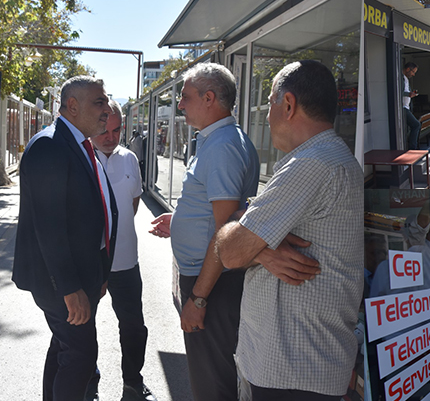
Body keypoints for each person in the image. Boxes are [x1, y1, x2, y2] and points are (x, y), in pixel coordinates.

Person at [214, 60, 363, 401]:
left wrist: (252, 244)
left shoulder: (310, 164)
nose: (267, 116)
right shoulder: (333, 157)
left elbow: (230, 250)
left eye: (269, 103)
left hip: (290, 372)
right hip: (307, 366)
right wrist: (265, 251)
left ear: (289, 105)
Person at [149, 62, 260, 401]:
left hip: (212, 283)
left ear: (209, 98)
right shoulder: (221, 139)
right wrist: (182, 219)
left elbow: (226, 229)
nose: (180, 104)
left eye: (185, 96)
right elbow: (214, 211)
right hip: (212, 278)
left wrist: (198, 298)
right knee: (211, 374)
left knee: (212, 381)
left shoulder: (223, 146)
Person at [12, 76, 118, 400]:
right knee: (81, 356)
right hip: (61, 282)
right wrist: (71, 288)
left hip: (83, 274)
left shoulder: (79, 143)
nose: (106, 109)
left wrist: (100, 272)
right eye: (99, 102)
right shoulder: (50, 146)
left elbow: (92, 214)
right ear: (72, 106)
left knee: (65, 348)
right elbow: (50, 226)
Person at [90, 100, 155, 401]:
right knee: (82, 328)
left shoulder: (130, 159)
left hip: (126, 262)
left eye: (117, 130)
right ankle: (88, 384)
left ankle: (133, 382)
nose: (110, 137)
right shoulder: (79, 158)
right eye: (104, 129)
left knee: (133, 327)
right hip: (89, 264)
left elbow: (132, 205)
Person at [402, 62, 421, 150]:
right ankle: (413, 148)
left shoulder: (405, 79)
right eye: (413, 72)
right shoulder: (401, 78)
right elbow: (398, 91)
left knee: (411, 126)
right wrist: (409, 94)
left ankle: (411, 146)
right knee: (416, 125)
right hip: (402, 108)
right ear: (407, 69)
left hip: (406, 107)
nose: (413, 74)